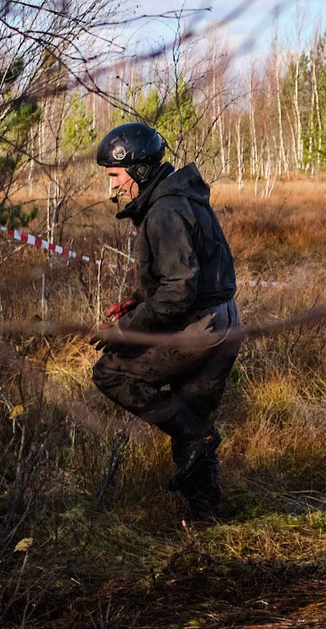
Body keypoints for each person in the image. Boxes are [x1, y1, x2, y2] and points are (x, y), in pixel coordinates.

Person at [89, 121, 241, 515]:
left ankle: (198, 439)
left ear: (138, 170)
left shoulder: (165, 211)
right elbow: (191, 271)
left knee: (110, 373)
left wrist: (125, 330)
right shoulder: (181, 198)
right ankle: (206, 520)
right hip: (225, 322)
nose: (113, 187)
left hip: (200, 329)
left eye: (115, 176)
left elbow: (178, 292)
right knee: (191, 414)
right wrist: (138, 300)